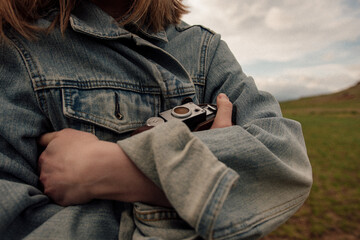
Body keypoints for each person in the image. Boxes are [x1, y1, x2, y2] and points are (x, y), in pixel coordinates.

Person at [0, 0, 313, 239]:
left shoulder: (203, 49)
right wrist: (188, 207)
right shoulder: (14, 45)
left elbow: (286, 164)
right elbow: (16, 223)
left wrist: (107, 169)